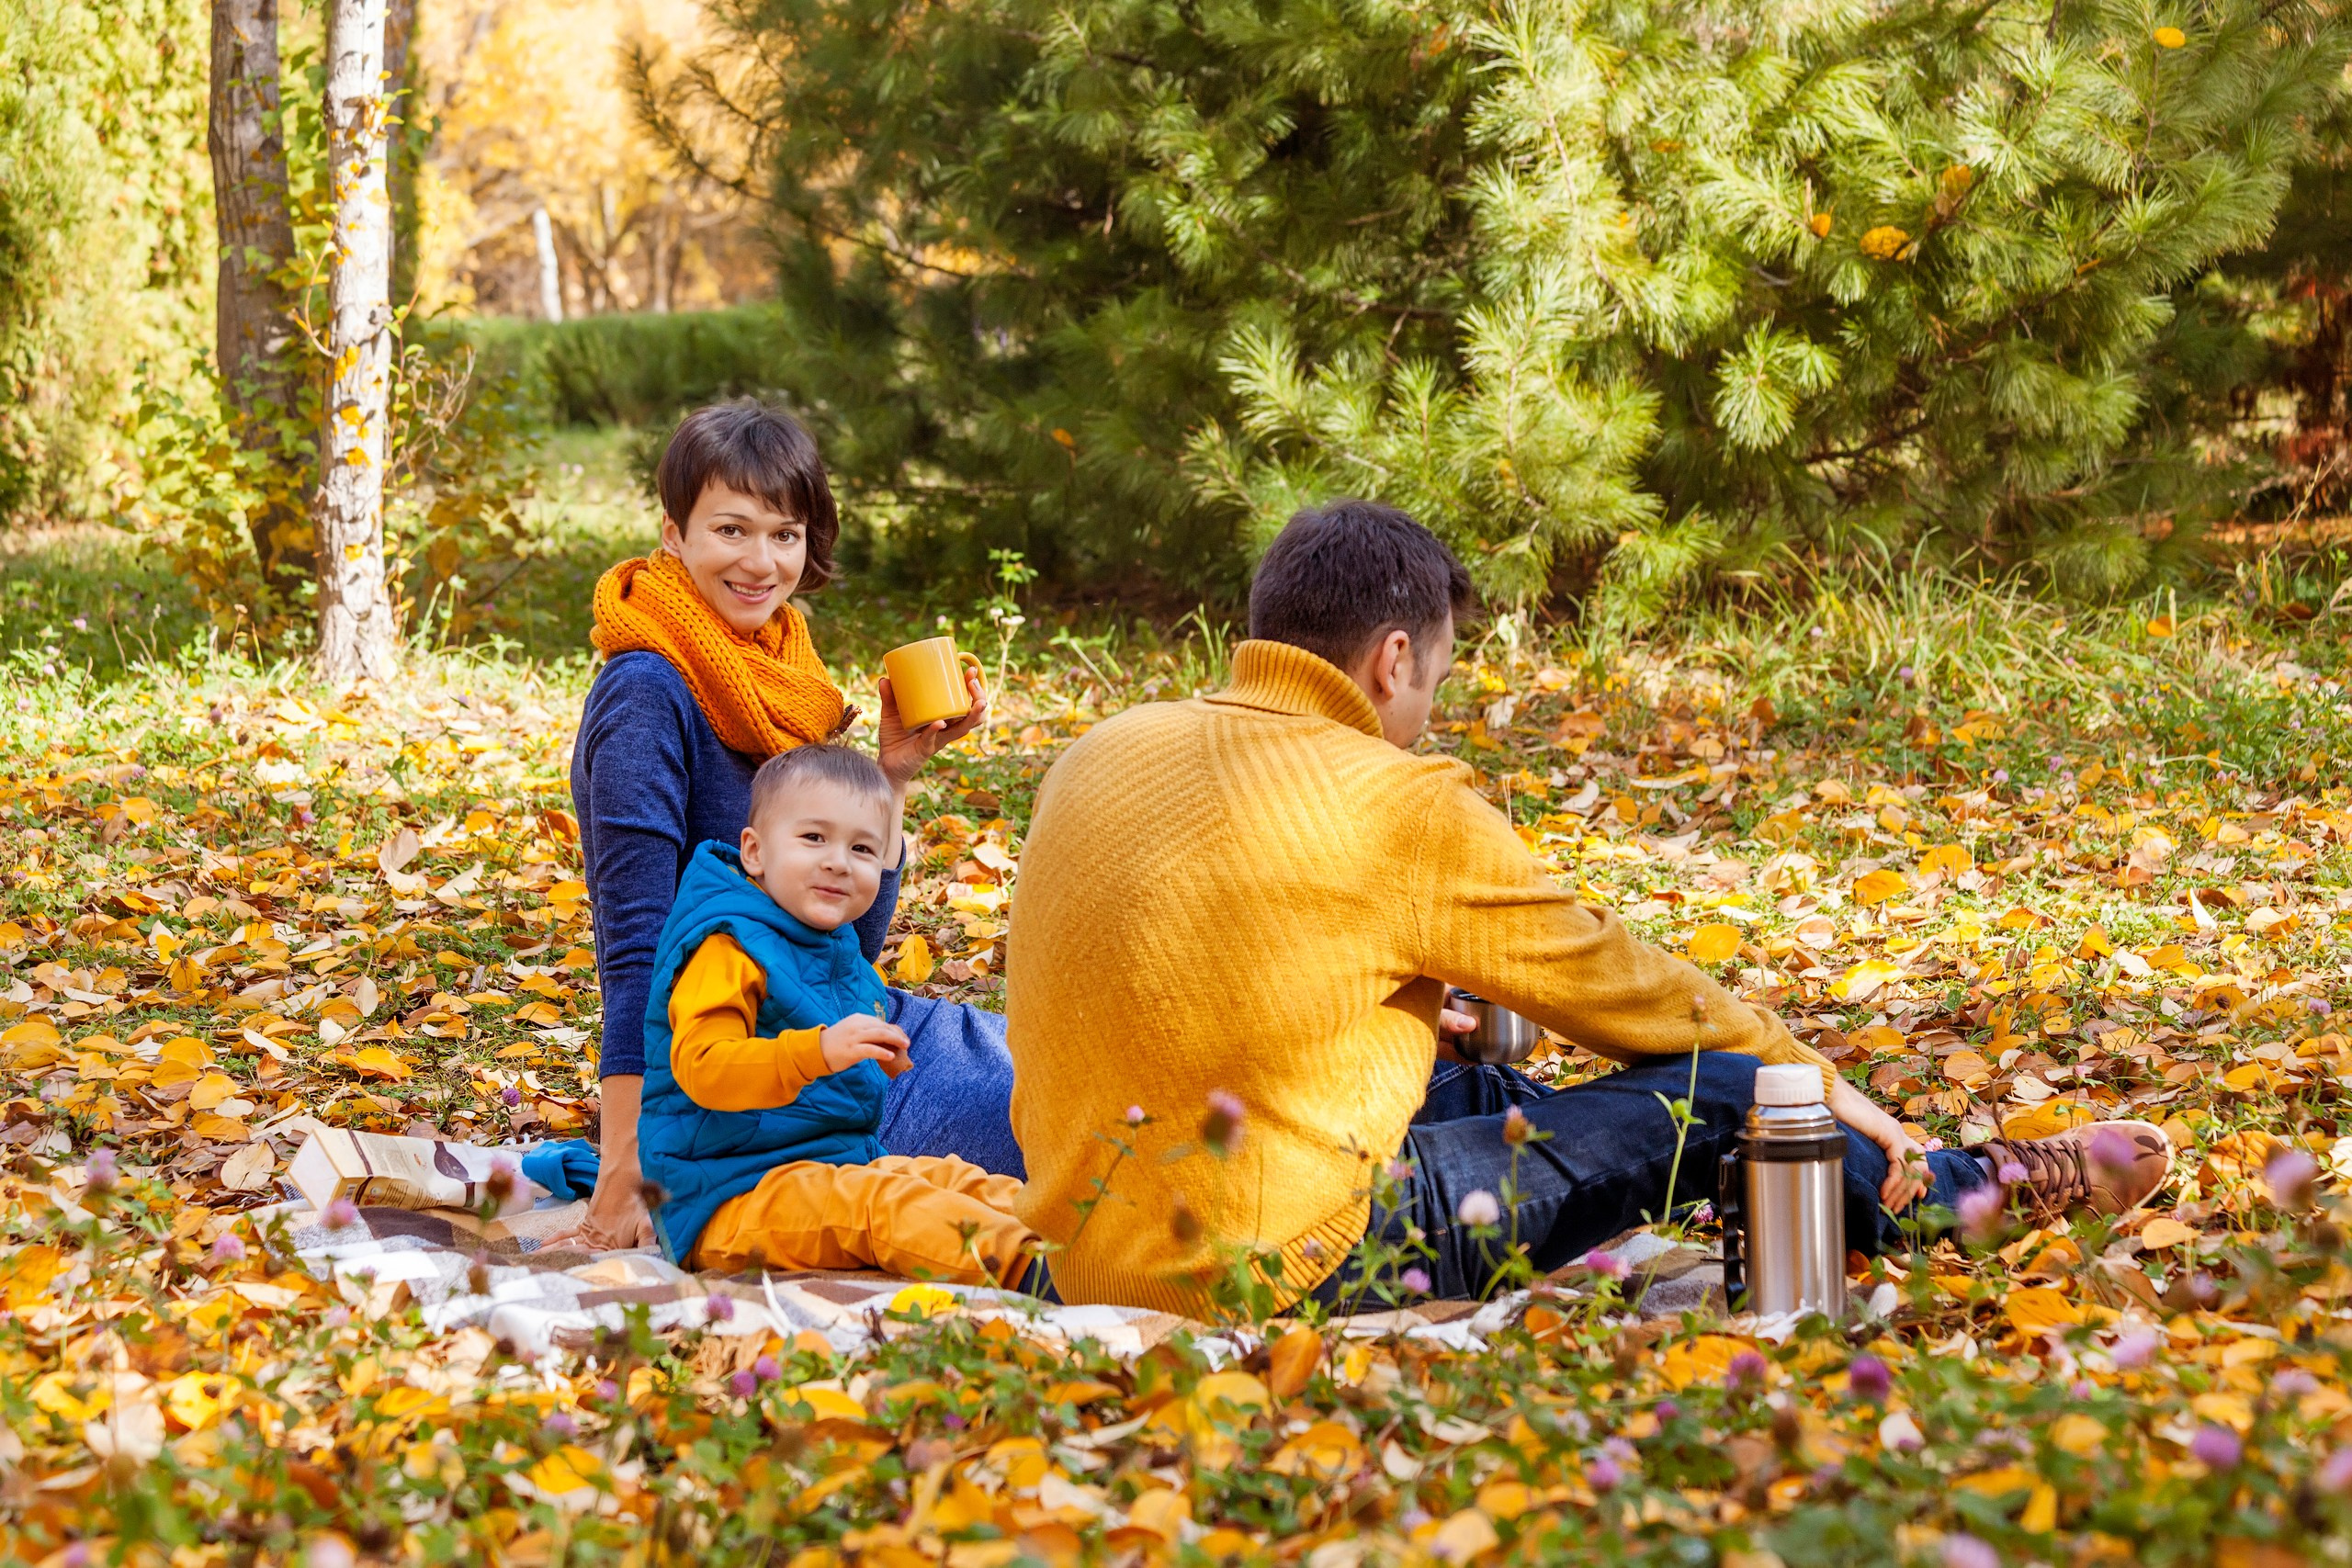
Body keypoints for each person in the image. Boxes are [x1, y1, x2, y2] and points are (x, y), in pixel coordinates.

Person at [1005, 500, 2172, 1310]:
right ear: (1391, 660)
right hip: (1289, 1263)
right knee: (1726, 1093)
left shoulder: (1101, 750)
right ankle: (1962, 1190)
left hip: (1088, 1241)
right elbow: (1633, 993)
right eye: (1442, 680)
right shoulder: (1398, 801)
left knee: (1484, 1087)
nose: (1432, 711)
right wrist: (1832, 1088)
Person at [568, 400, 1021, 1252]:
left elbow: (842, 939)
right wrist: (630, 1177)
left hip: (845, 1021)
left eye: (785, 534)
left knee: (1062, 1058)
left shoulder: (781, 679)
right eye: (731, 529)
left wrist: (890, 776)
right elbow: (637, 949)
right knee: (1070, 1118)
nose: (760, 561)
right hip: (760, 1089)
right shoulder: (646, 692)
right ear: (674, 533)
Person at [638, 744, 1037, 1285]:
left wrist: (875, 1052)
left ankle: (1083, 1233)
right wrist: (819, 1051)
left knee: (947, 1178)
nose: (838, 861)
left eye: (863, 849)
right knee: (881, 1206)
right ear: (754, 852)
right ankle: (1039, 1271)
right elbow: (703, 1067)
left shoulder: (826, 944)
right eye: (813, 838)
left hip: (831, 1164)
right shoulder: (727, 947)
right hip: (727, 1195)